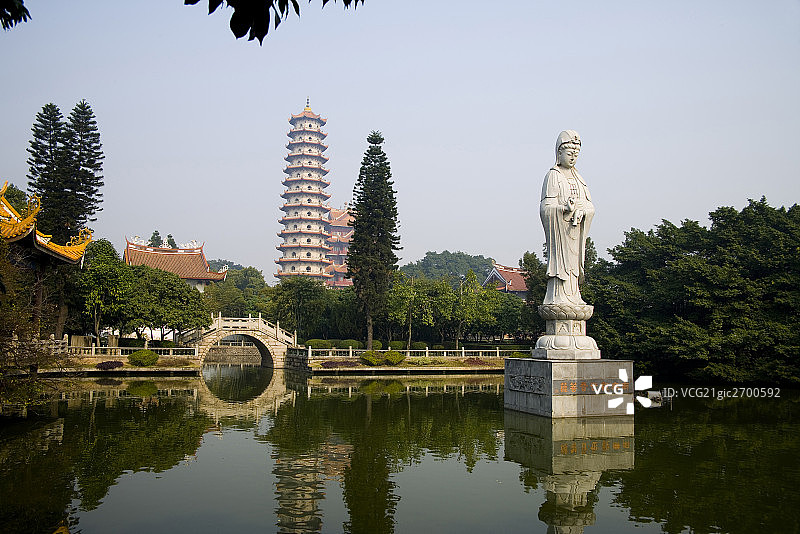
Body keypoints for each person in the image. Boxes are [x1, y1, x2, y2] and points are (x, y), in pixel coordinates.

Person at [540, 130, 595, 305]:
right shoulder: (553, 176)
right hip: (560, 237)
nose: (572, 158)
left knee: (573, 270)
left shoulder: (579, 179)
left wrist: (582, 211)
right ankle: (558, 297)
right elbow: (545, 208)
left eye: (576, 154)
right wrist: (564, 208)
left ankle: (574, 296)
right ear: (559, 153)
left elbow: (590, 206)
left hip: (575, 234)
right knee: (562, 270)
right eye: (569, 153)